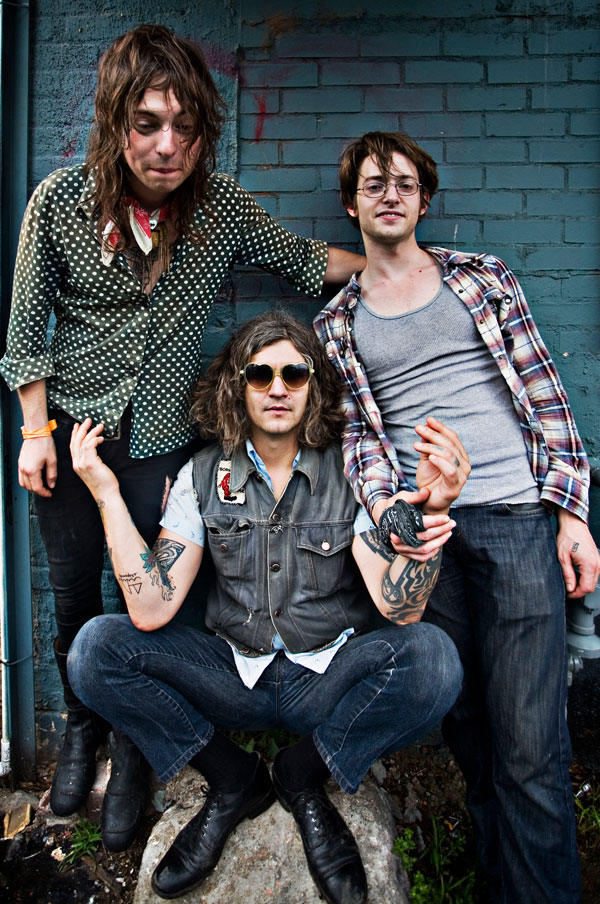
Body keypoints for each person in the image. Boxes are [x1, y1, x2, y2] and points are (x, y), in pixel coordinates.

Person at [0, 25, 365, 847]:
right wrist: (34, 431)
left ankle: (136, 748)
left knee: (151, 610)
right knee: (74, 595)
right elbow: (25, 331)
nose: (167, 146)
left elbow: (305, 261)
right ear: (115, 121)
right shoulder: (58, 202)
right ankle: (85, 729)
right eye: (148, 124)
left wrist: (399, 264)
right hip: (73, 434)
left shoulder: (219, 209)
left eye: (185, 127)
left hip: (163, 440)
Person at [65, 311, 465, 901]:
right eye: (261, 374)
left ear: (313, 386)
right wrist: (106, 493)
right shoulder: (203, 475)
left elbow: (398, 609)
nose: (278, 388)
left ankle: (303, 775)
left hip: (325, 677)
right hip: (233, 675)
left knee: (434, 658)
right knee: (95, 650)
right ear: (238, 385)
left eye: (294, 374)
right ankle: (233, 779)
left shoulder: (349, 474)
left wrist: (435, 511)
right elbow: (150, 609)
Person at [313, 130, 600, 904]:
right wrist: (393, 515)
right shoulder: (336, 325)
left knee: (531, 749)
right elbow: (360, 443)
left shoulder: (482, 279)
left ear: (425, 200)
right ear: (350, 205)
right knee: (471, 734)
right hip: (430, 535)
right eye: (373, 184)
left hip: (514, 518)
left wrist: (571, 515)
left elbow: (545, 394)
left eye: (404, 183)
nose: (390, 194)